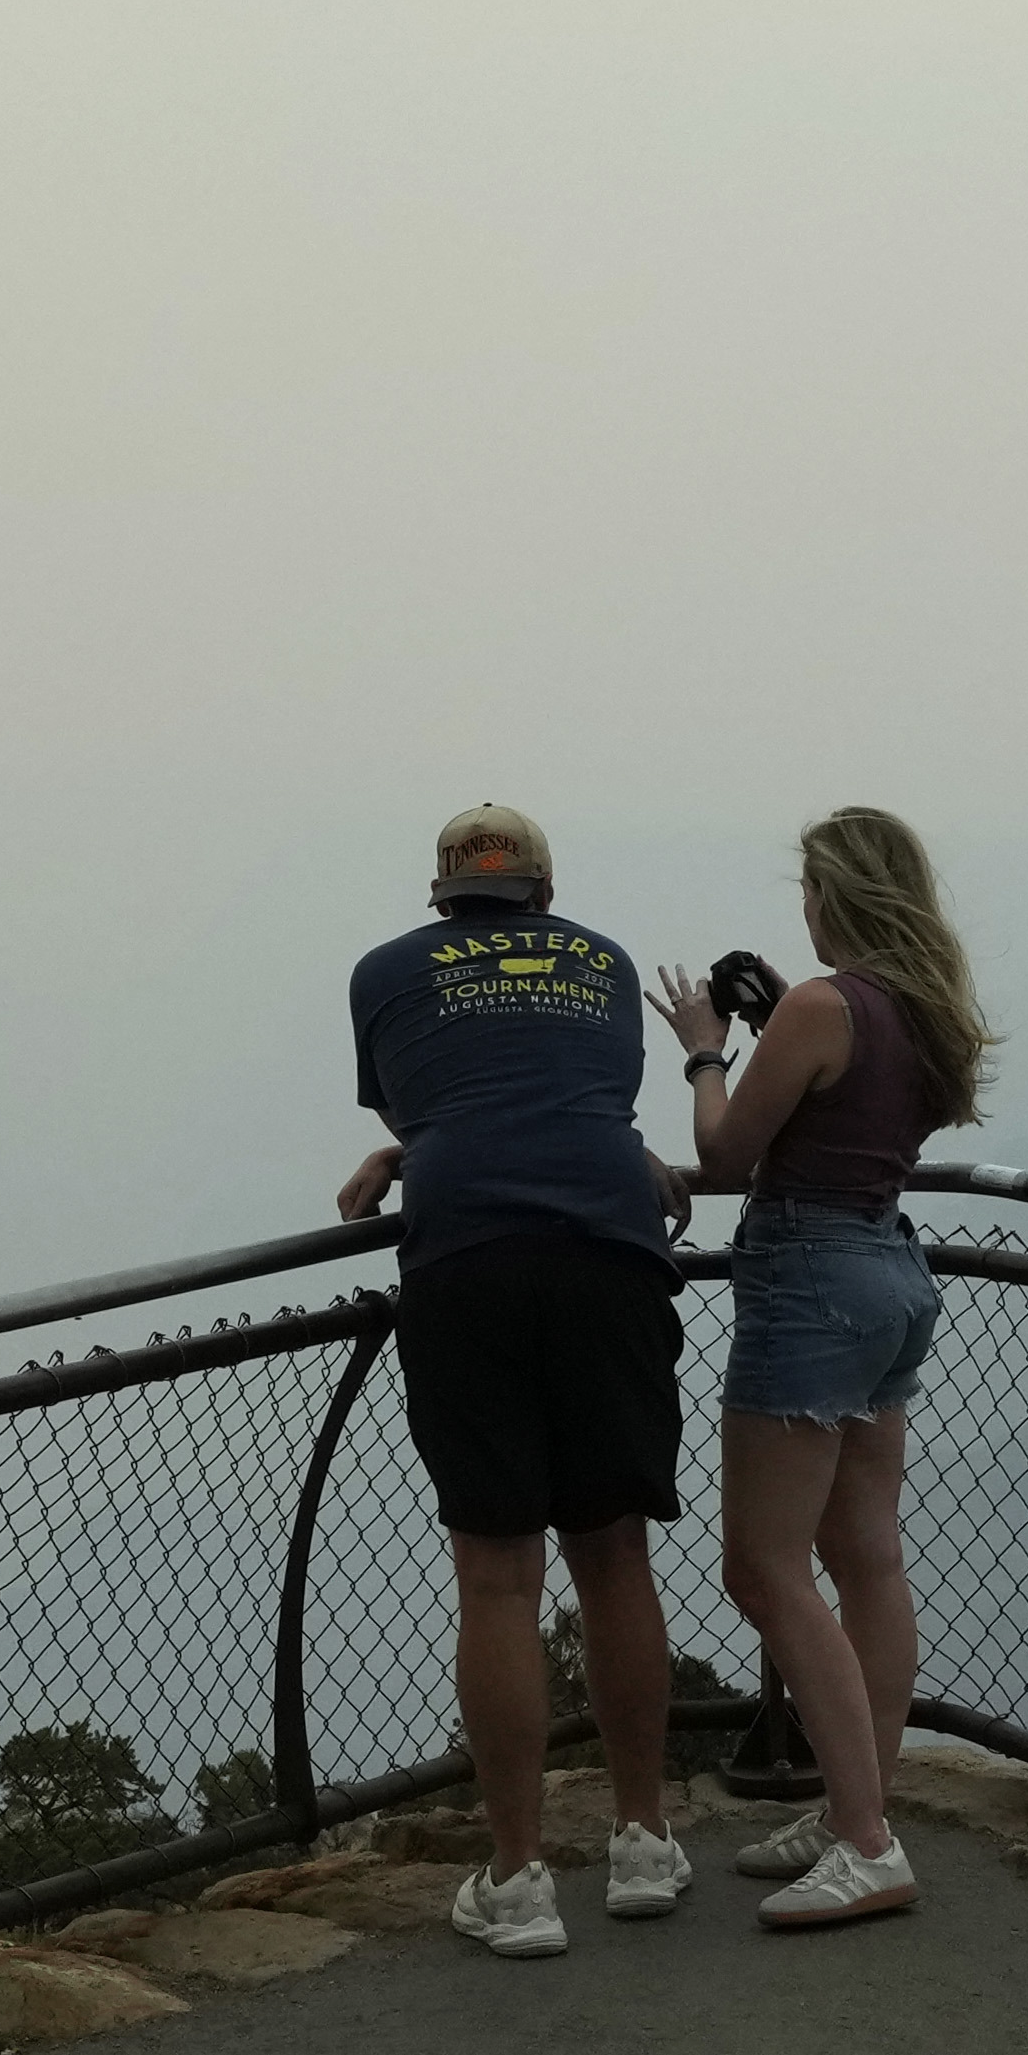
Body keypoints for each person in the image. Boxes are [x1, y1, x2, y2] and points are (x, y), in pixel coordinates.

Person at [337, 801, 701, 1959]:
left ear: (442, 895)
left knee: (497, 1577)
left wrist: (410, 1150)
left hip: (468, 1254)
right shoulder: (597, 962)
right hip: (608, 1244)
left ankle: (518, 1880)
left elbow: (423, 1103)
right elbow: (582, 1100)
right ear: (543, 890)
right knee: (614, 1553)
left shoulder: (386, 971)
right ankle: (642, 1841)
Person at [681, 806, 991, 1933]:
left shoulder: (818, 1006)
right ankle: (862, 1807)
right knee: (865, 1556)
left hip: (810, 1279)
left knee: (762, 1570)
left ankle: (864, 1842)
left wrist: (708, 1045)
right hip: (890, 1275)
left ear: (837, 896)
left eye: (810, 889)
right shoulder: (921, 1009)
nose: (802, 910)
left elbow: (724, 1155)